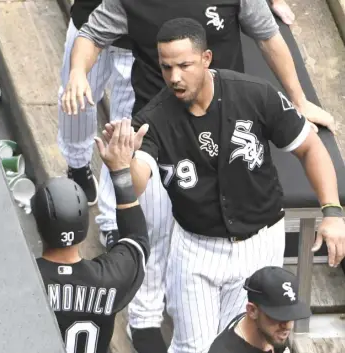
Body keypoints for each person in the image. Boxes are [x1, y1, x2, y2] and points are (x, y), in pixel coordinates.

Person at [62, 1, 335, 349]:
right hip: (197, 243)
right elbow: (140, 177)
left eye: (184, 65)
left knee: (247, 342)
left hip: (259, 238)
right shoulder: (156, 116)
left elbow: (309, 146)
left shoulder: (253, 95)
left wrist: (333, 211)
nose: (175, 76)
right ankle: (144, 320)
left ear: (206, 59)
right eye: (167, 67)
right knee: (193, 341)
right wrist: (120, 168)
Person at [34, 119, 149, 353]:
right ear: (84, 226)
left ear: (38, 224)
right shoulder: (109, 278)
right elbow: (137, 240)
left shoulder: (26, 282)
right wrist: (120, 170)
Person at [58, 0, 135, 250]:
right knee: (74, 99)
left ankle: (112, 218)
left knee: (127, 124)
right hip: (89, 17)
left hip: (139, 31)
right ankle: (78, 165)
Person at [208, 266, 312, 353]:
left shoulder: (268, 333)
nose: (288, 326)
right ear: (252, 311)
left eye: (291, 316)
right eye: (279, 317)